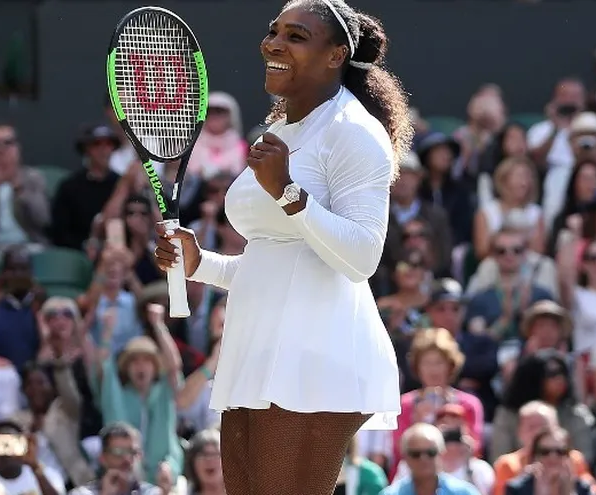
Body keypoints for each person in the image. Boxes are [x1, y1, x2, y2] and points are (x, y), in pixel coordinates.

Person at [152, 0, 408, 493]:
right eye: (274, 31)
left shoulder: (355, 133)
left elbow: (362, 258)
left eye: (296, 36)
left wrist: (288, 193)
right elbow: (278, 259)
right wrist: (201, 263)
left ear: (335, 55)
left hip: (315, 358)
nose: (274, 44)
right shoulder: (281, 128)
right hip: (254, 350)